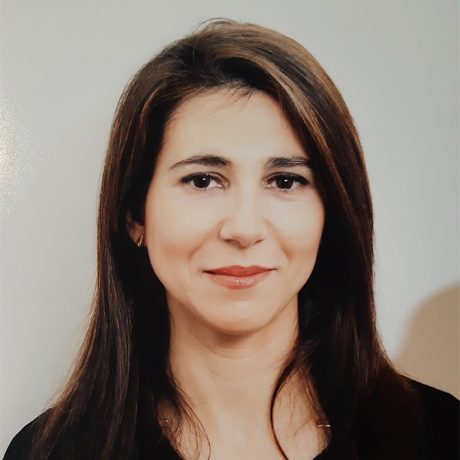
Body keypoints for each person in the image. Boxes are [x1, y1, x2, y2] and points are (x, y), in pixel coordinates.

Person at [4, 19, 458, 460]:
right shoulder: (49, 452)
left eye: (284, 181)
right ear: (134, 215)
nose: (244, 228)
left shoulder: (440, 436)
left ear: (332, 214)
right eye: (202, 180)